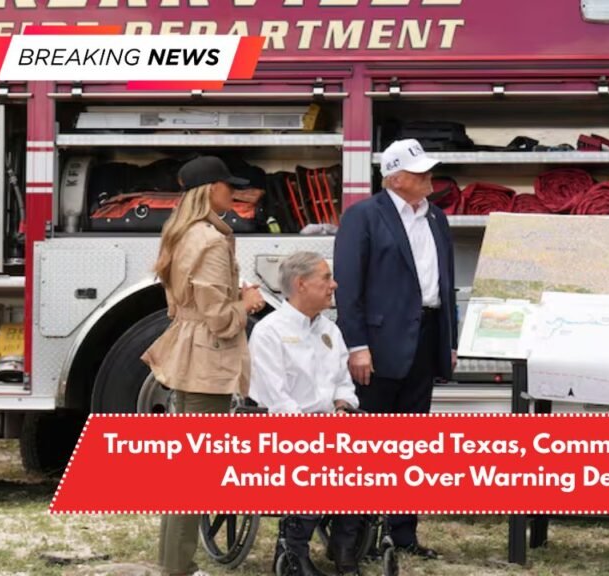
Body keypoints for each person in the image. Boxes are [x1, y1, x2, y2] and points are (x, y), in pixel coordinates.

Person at [142, 156, 267, 576]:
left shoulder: (182, 234)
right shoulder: (212, 240)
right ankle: (178, 568)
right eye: (228, 186)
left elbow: (187, 303)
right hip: (206, 361)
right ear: (210, 189)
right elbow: (219, 318)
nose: (234, 193)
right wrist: (246, 302)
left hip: (187, 355)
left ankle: (172, 563)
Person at [333, 138, 458, 559]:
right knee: (370, 444)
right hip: (379, 345)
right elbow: (348, 288)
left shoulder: (436, 217)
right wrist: (357, 346)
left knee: (412, 443)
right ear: (395, 177)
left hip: (424, 337)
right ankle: (359, 537)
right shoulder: (363, 217)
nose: (428, 177)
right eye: (419, 172)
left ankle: (402, 534)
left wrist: (449, 341)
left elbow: (445, 283)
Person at [248, 251, 362, 576]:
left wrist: (342, 407)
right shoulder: (270, 332)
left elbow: (343, 383)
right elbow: (276, 399)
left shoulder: (329, 330)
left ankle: (344, 547)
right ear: (301, 284)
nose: (334, 284)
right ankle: (293, 553)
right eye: (326, 278)